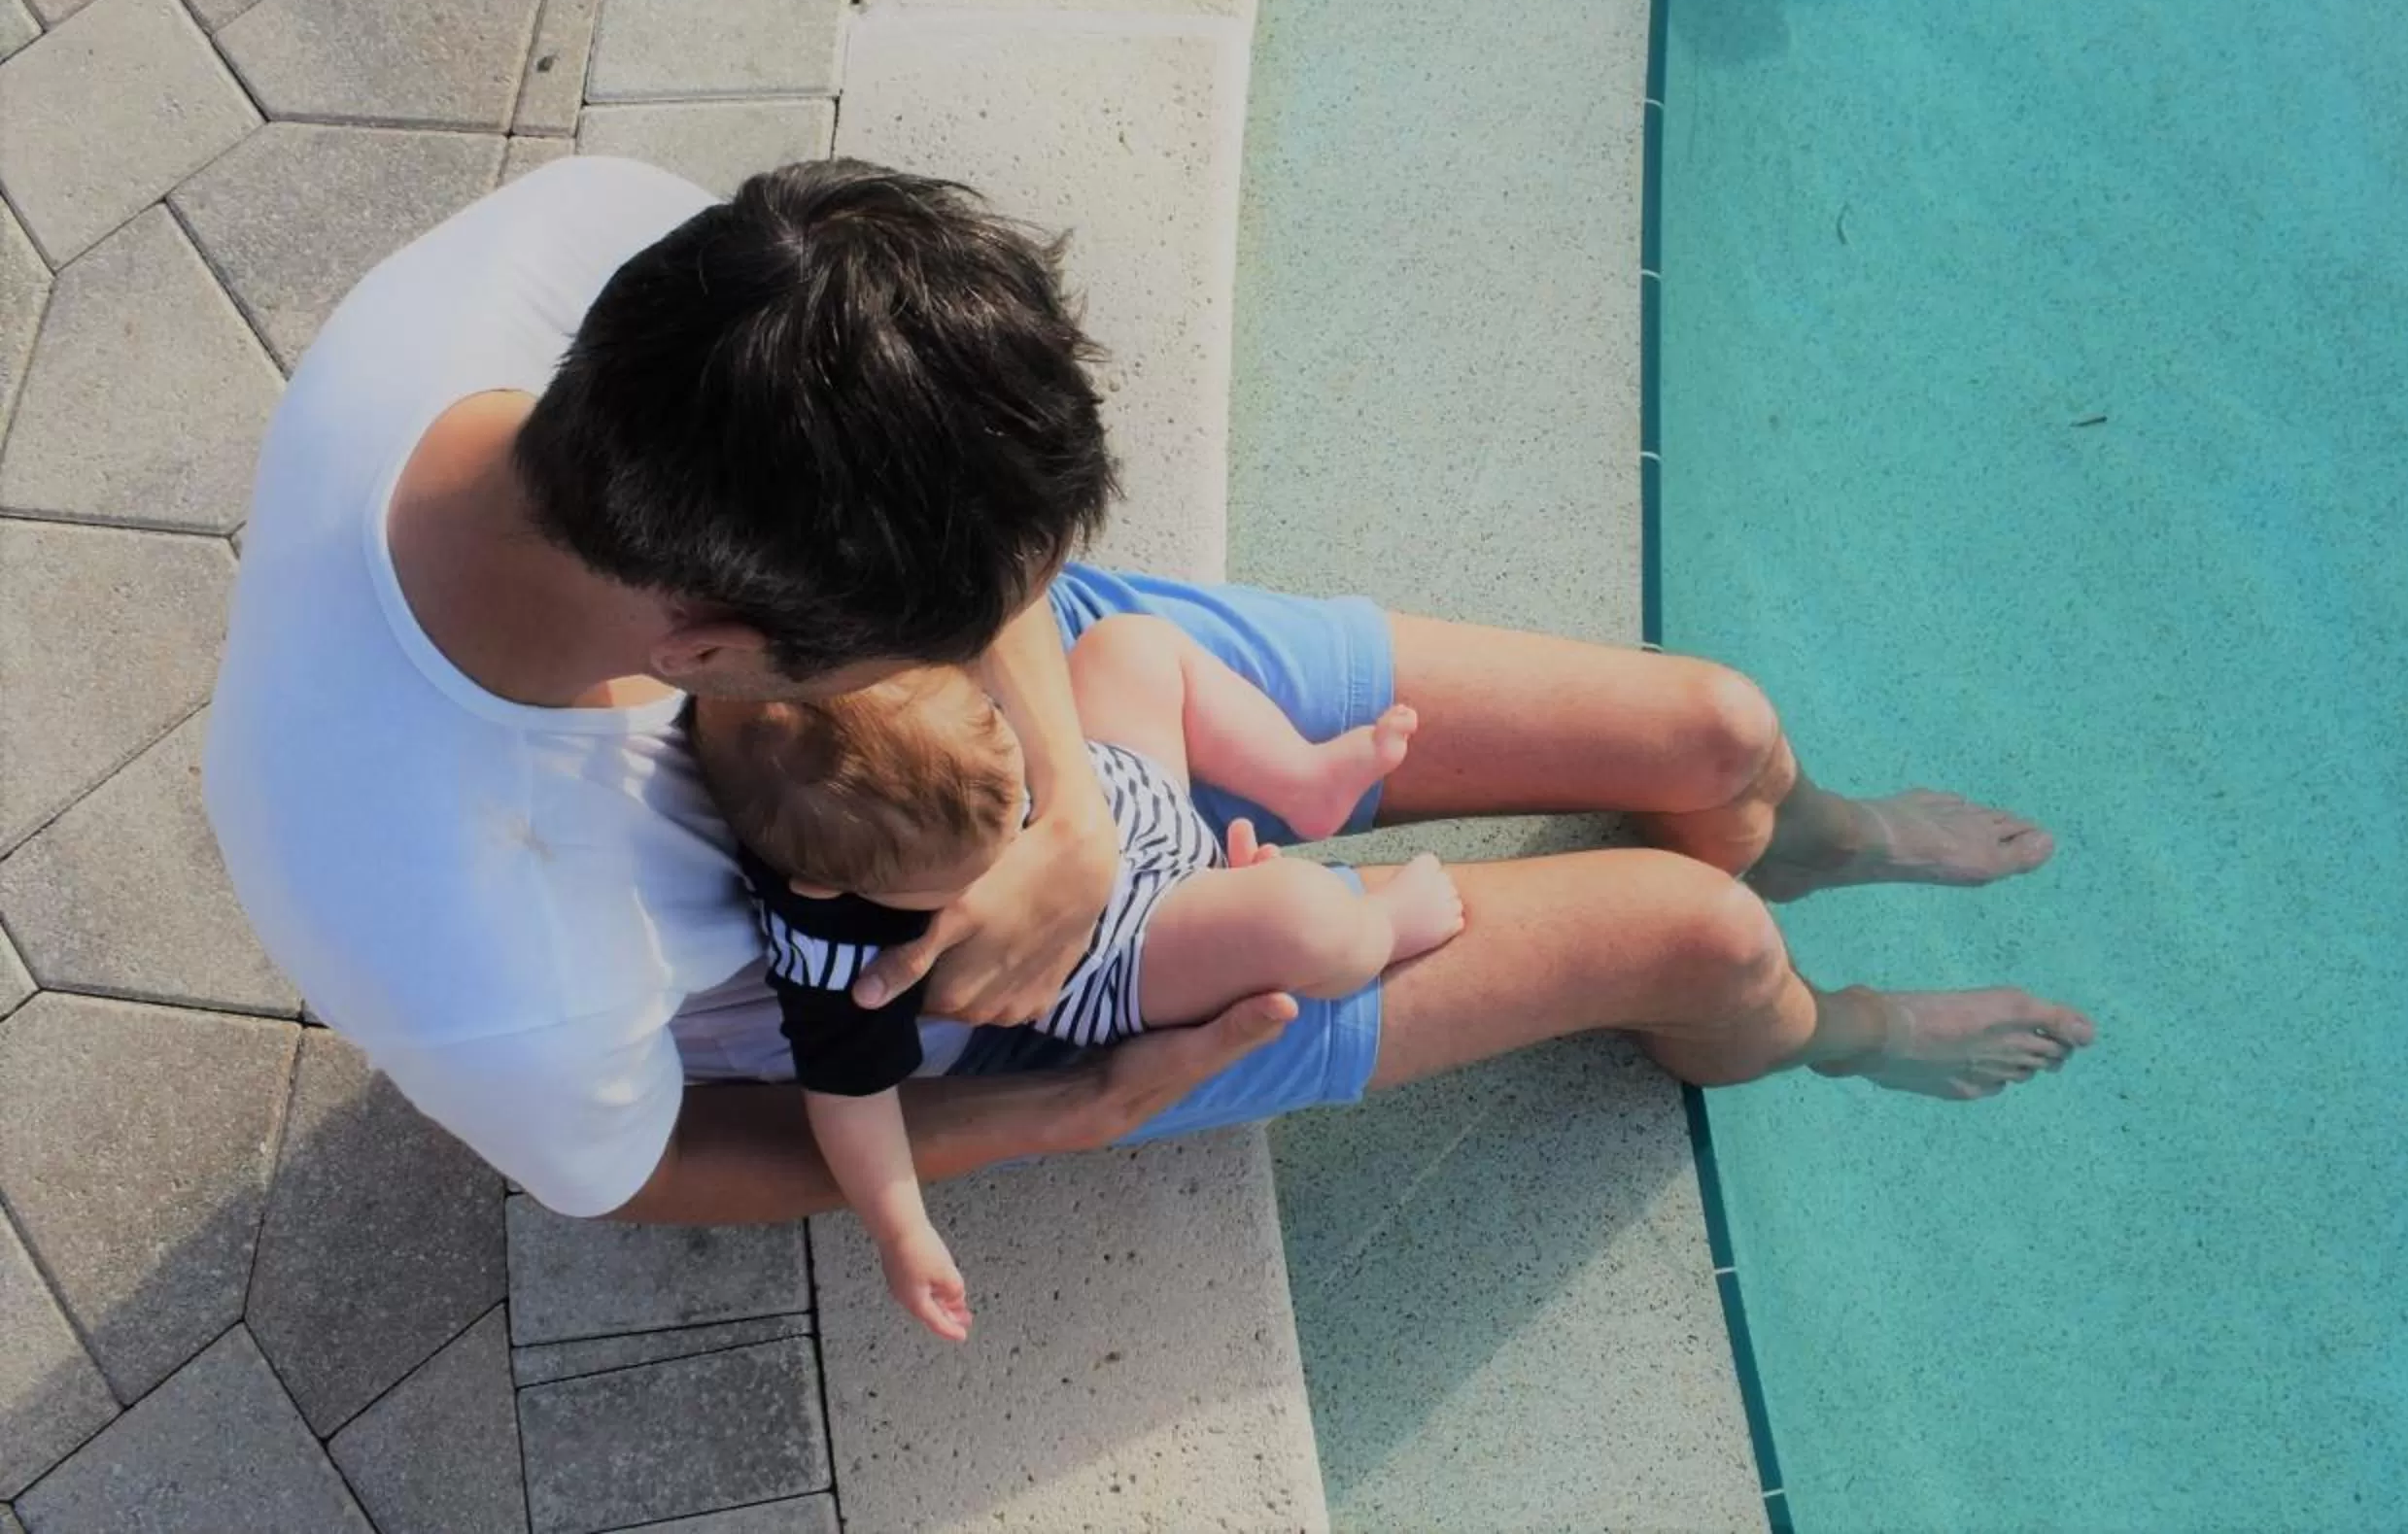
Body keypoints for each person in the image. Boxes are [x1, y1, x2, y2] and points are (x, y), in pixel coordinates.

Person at [204, 156, 2093, 1233]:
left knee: (1723, 728)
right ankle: (1821, 1024)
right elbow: (651, 1172)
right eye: (924, 629)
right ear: (713, 647)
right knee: (1695, 937)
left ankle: (1815, 828)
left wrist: (1076, 793)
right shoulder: (448, 919)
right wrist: (1080, 1101)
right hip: (1017, 986)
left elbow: (995, 565)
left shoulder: (589, 263)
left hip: (1094, 705)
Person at [692, 622, 1461, 1339]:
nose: (1014, 858)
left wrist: (1055, 798)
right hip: (1128, 939)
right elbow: (848, 1102)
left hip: (1108, 794)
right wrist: (903, 1231)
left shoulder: (886, 690)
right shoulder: (830, 950)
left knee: (1126, 649)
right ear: (831, 889)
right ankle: (1383, 928)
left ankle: (1303, 778)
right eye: (974, 871)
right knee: (1304, 923)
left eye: (999, 756)